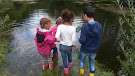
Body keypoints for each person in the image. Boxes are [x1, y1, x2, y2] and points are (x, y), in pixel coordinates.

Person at [79, 6, 102, 76]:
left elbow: (82, 40)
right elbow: (99, 39)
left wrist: (79, 40)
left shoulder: (84, 26)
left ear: (85, 15)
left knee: (82, 60)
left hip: (85, 49)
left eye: (83, 15)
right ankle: (91, 75)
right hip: (94, 49)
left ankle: (81, 74)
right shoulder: (99, 25)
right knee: (92, 61)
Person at [55, 9, 76, 74]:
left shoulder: (60, 27)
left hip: (62, 46)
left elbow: (56, 36)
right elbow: (73, 39)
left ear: (63, 19)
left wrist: (59, 39)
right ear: (71, 20)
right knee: (69, 55)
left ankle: (66, 70)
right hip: (69, 46)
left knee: (64, 58)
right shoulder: (73, 28)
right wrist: (74, 45)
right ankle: (70, 64)